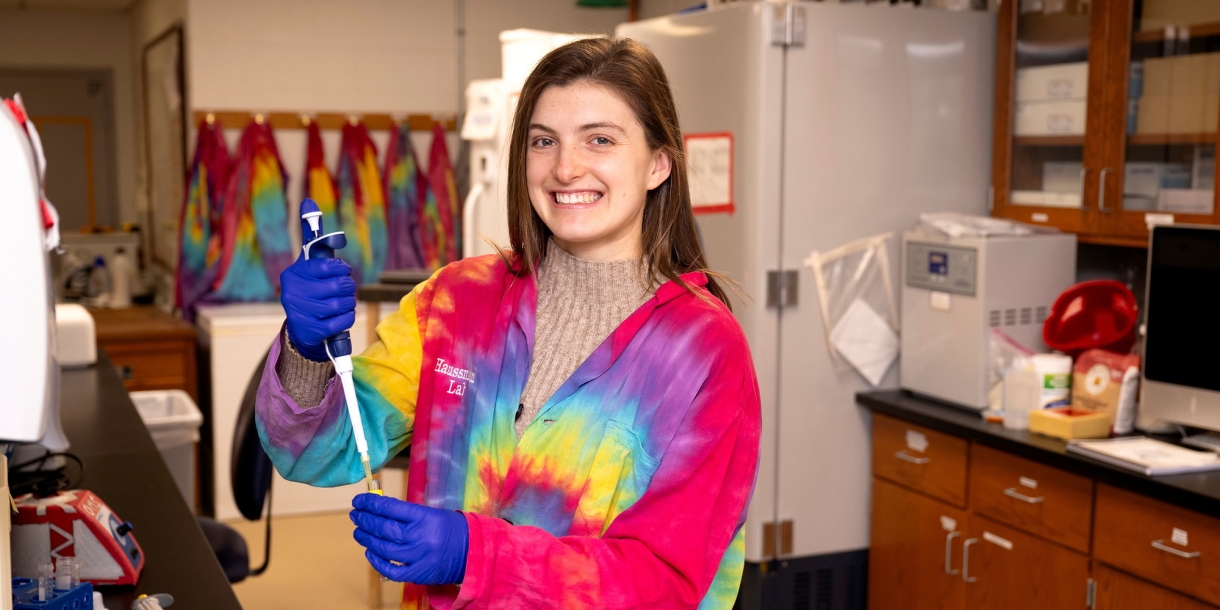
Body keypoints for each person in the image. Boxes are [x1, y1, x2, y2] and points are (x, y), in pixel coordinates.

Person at [257, 37, 761, 609]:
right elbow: (319, 452)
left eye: (600, 139)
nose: (565, 167)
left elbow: (670, 585)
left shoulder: (705, 353)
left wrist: (478, 556)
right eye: (544, 141)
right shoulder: (457, 301)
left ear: (658, 164)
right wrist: (305, 350)